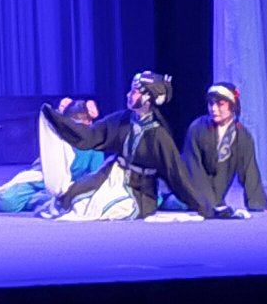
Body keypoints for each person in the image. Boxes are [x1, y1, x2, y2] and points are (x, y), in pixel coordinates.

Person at [36, 71, 224, 221]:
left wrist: (204, 207)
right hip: (111, 176)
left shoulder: (158, 135)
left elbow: (176, 175)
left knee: (101, 207)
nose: (128, 94)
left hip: (139, 192)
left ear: (148, 98)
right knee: (71, 197)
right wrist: (57, 121)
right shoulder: (122, 120)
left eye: (134, 92)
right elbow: (90, 136)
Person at [0, 98, 106, 213]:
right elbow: (50, 121)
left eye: (85, 124)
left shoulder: (94, 145)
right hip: (39, 181)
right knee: (8, 202)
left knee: (68, 202)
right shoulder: (58, 138)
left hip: (68, 188)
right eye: (75, 125)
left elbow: (96, 175)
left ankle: (38, 201)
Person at [183, 81, 267, 214]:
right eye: (211, 104)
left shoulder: (242, 136)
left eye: (220, 104)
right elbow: (192, 167)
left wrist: (259, 203)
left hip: (216, 195)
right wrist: (207, 201)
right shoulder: (197, 128)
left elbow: (249, 170)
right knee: (177, 202)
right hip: (191, 190)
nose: (214, 109)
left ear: (233, 106)